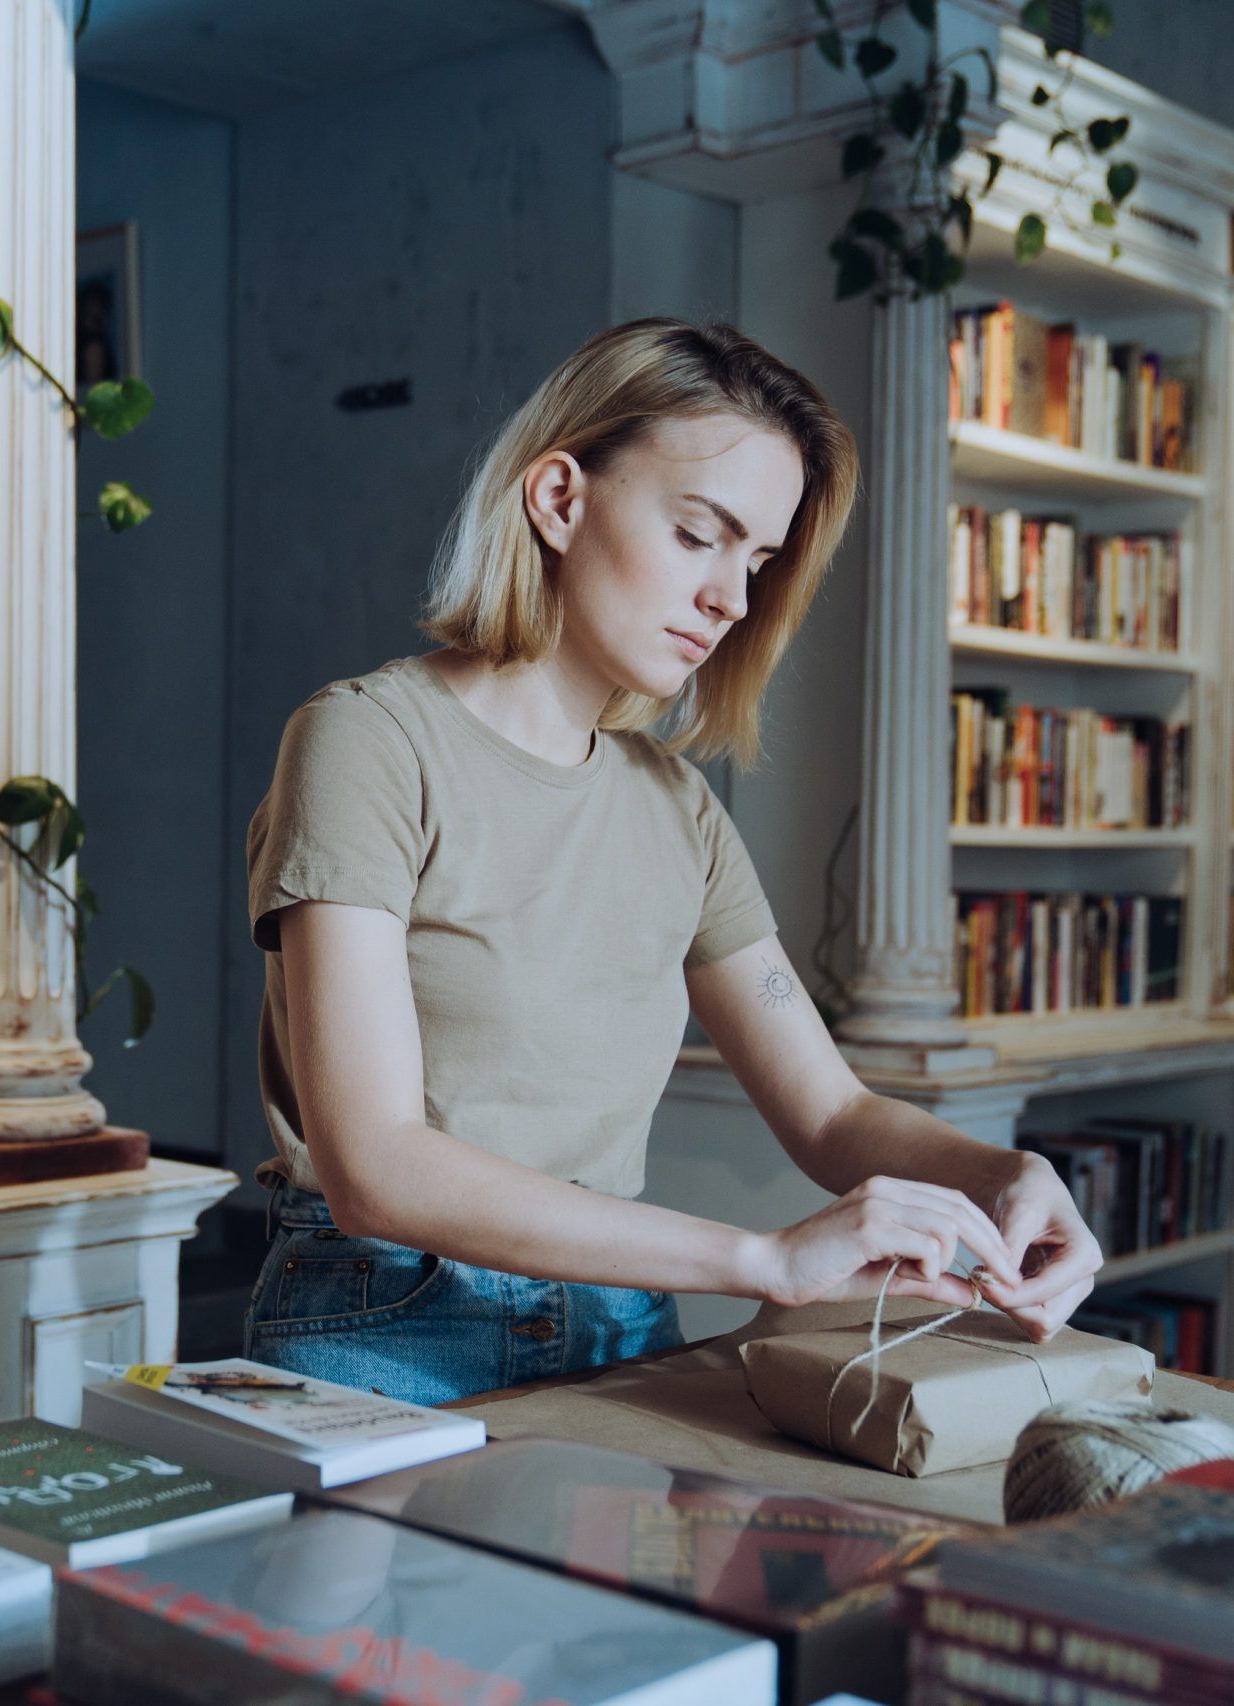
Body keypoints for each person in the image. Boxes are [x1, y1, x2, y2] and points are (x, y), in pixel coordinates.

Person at [241, 318, 1101, 1407]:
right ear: (559, 499)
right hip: (387, 1320)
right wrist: (763, 1260)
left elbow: (831, 1114)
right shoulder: (367, 740)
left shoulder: (678, 809)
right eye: (701, 533)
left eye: (759, 560)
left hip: (622, 1324)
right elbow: (374, 1166)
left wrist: (1004, 1174)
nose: (733, 599)